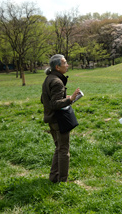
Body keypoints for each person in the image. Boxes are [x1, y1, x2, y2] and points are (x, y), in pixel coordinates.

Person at [41, 54, 81, 183]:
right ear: (57, 67)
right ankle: (62, 181)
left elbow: (44, 99)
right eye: (65, 63)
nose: (67, 65)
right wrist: (70, 99)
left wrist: (66, 98)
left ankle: (54, 177)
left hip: (51, 119)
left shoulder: (48, 78)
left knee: (59, 148)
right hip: (58, 120)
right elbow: (55, 104)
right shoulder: (57, 82)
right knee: (63, 150)